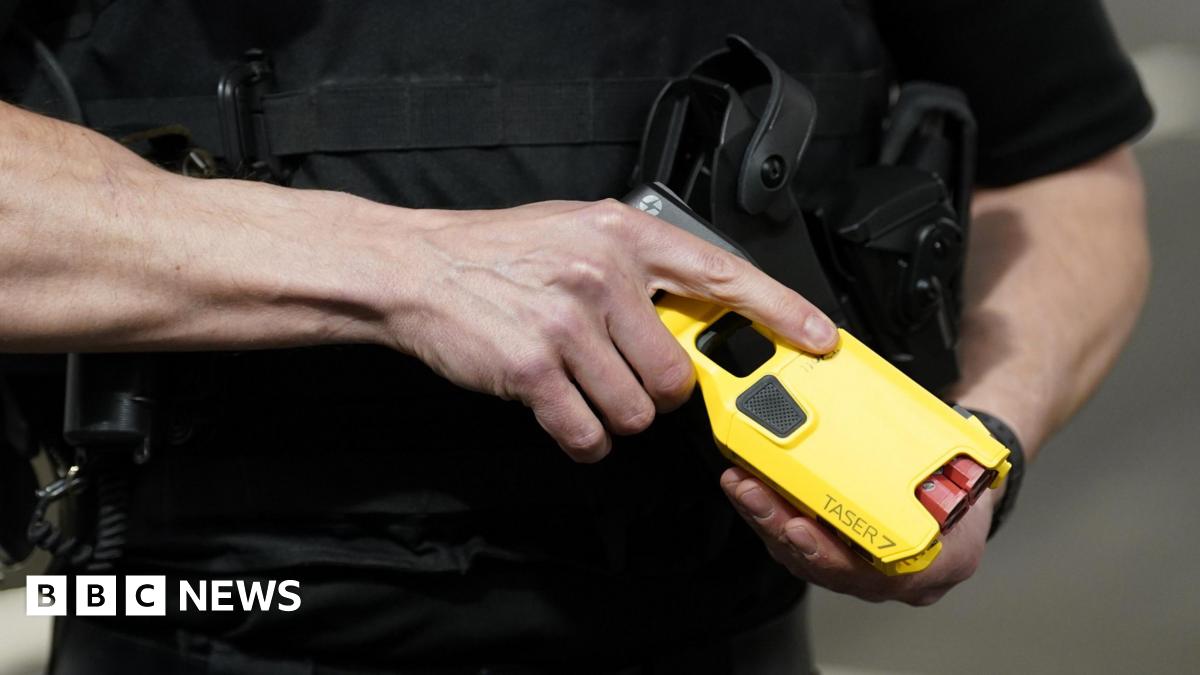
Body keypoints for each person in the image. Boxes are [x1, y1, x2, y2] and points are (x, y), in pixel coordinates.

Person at [0, 0, 1151, 673]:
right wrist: (396, 267)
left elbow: (1064, 177)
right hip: (198, 618)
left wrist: (978, 451)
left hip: (713, 627)